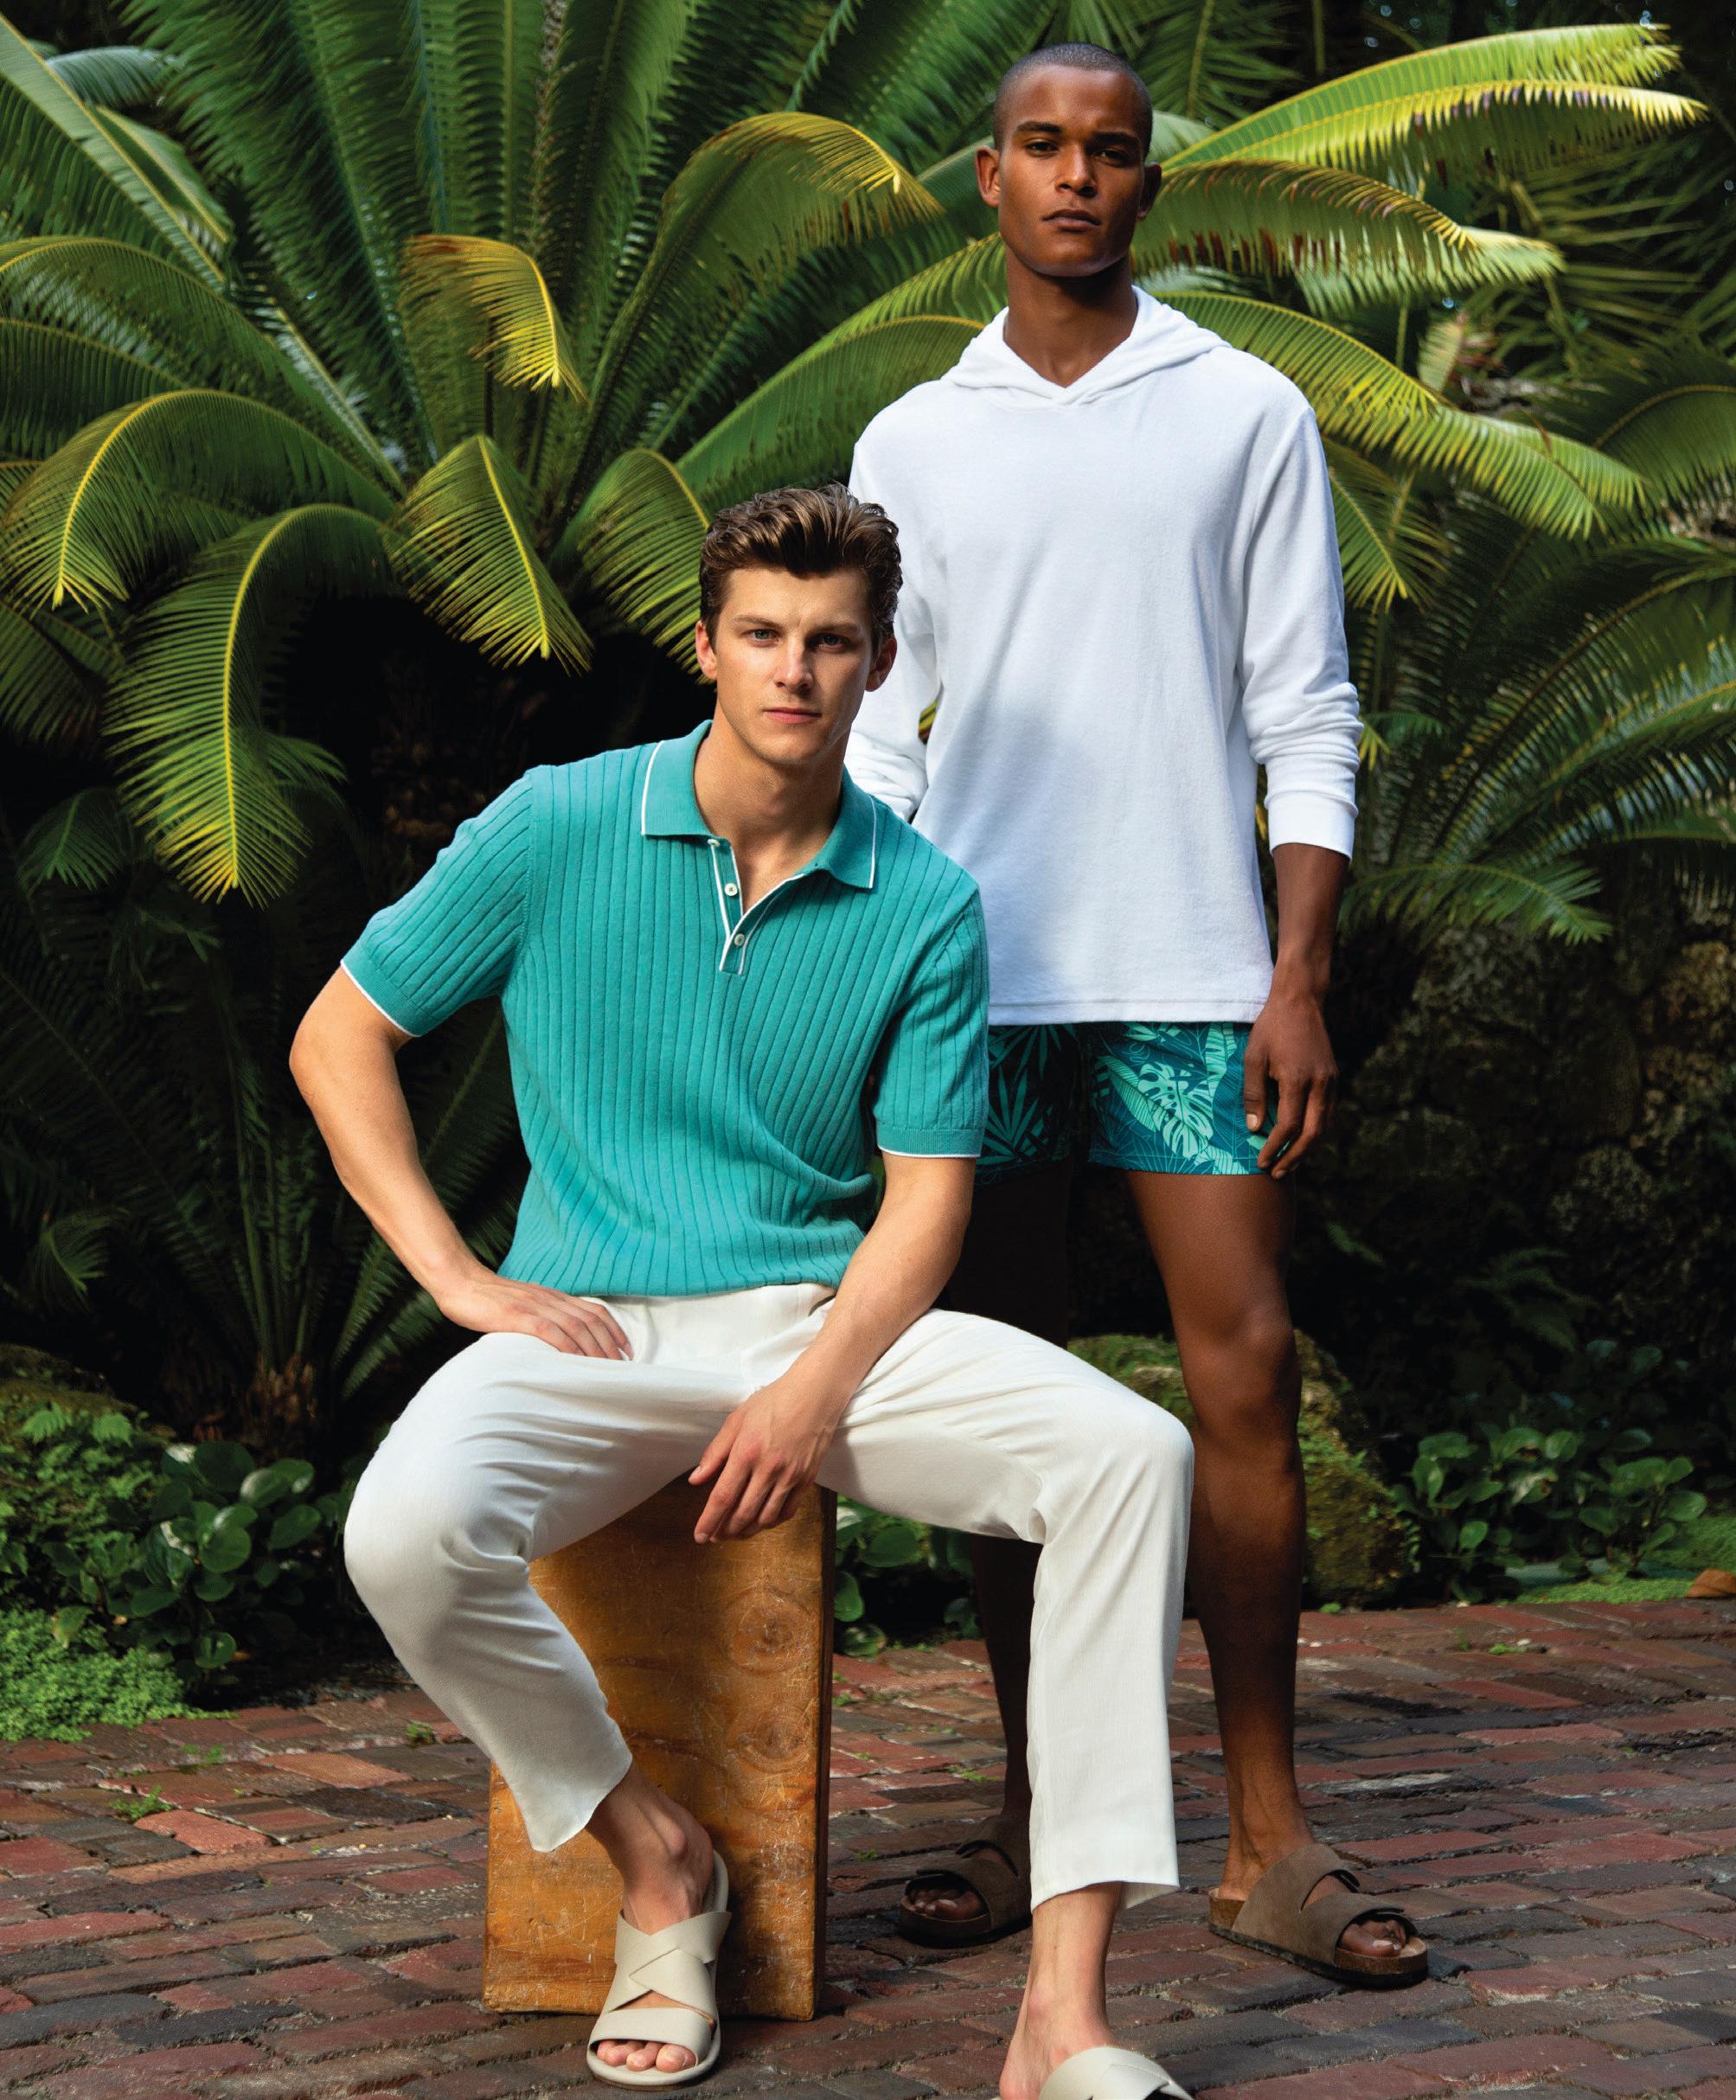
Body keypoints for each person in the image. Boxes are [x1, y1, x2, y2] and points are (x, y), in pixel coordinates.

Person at [291, 485, 1201, 2099]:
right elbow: (339, 1034)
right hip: (589, 1326)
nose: (795, 670)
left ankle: (1065, 2018)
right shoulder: (559, 825)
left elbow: (928, 1202)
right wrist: (460, 1277)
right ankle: (661, 1867)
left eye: (831, 641)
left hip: (820, 1325)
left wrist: (811, 1390)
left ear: (881, 662)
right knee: (402, 1536)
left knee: (1135, 1454)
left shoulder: (925, 901)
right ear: (706, 645)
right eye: (763, 635)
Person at [842, 43, 1426, 1988]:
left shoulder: (1243, 409)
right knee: (1003, 1405)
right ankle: (1038, 1807)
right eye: (1042, 146)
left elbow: (1306, 705)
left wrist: (1295, 974)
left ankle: (1265, 1835)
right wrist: (858, 970)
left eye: (1109, 151)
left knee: (1243, 1373)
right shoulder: (915, 437)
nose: (1075, 177)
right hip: (973, 986)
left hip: (1191, 978)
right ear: (988, 177)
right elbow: (882, 736)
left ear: (1148, 187)